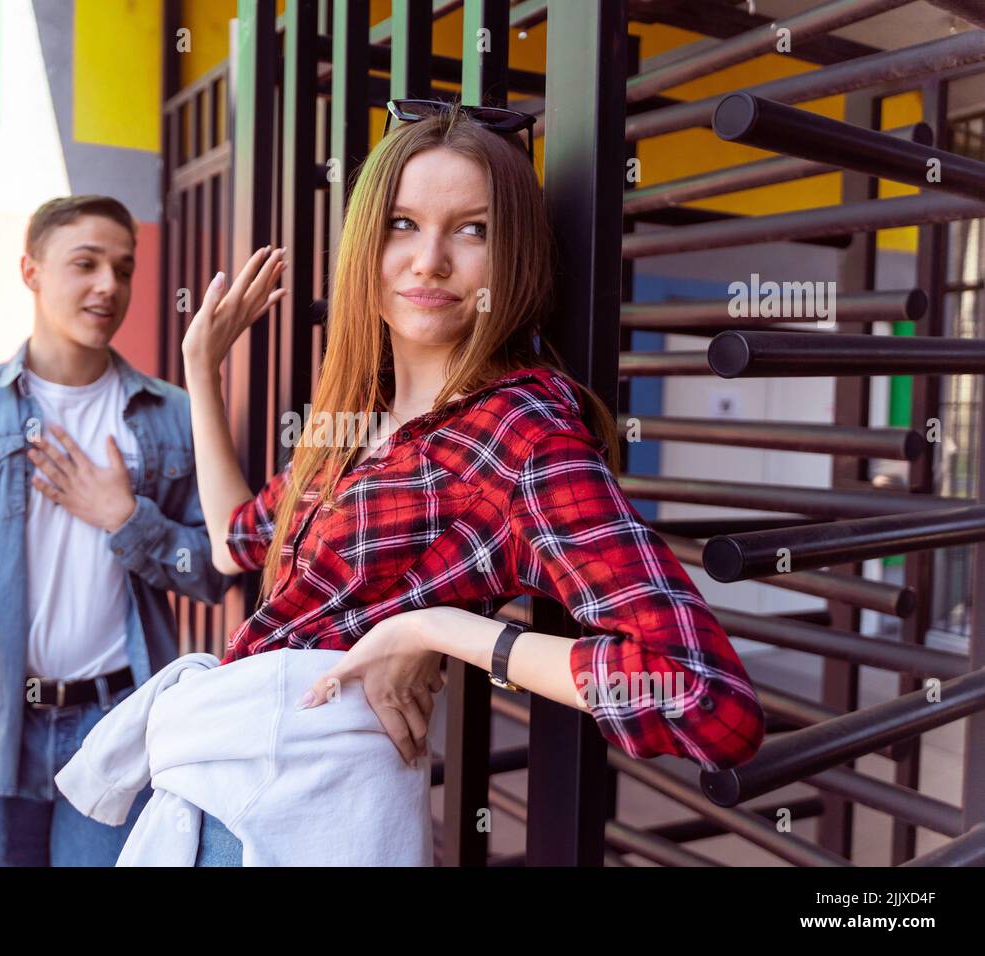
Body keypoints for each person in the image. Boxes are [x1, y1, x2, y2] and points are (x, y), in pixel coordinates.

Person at [179, 100, 766, 865]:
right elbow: (233, 543)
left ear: (512, 256)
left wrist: (438, 630)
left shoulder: (521, 434)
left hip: (309, 817)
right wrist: (201, 372)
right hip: (217, 786)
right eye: (402, 223)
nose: (429, 260)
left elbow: (706, 700)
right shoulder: (355, 421)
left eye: (473, 229)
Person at [0, 194, 231, 866]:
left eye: (123, 268)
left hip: (118, 727)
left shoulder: (174, 417)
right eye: (85, 263)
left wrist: (128, 520)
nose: (109, 286)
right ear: (30, 270)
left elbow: (217, 573)